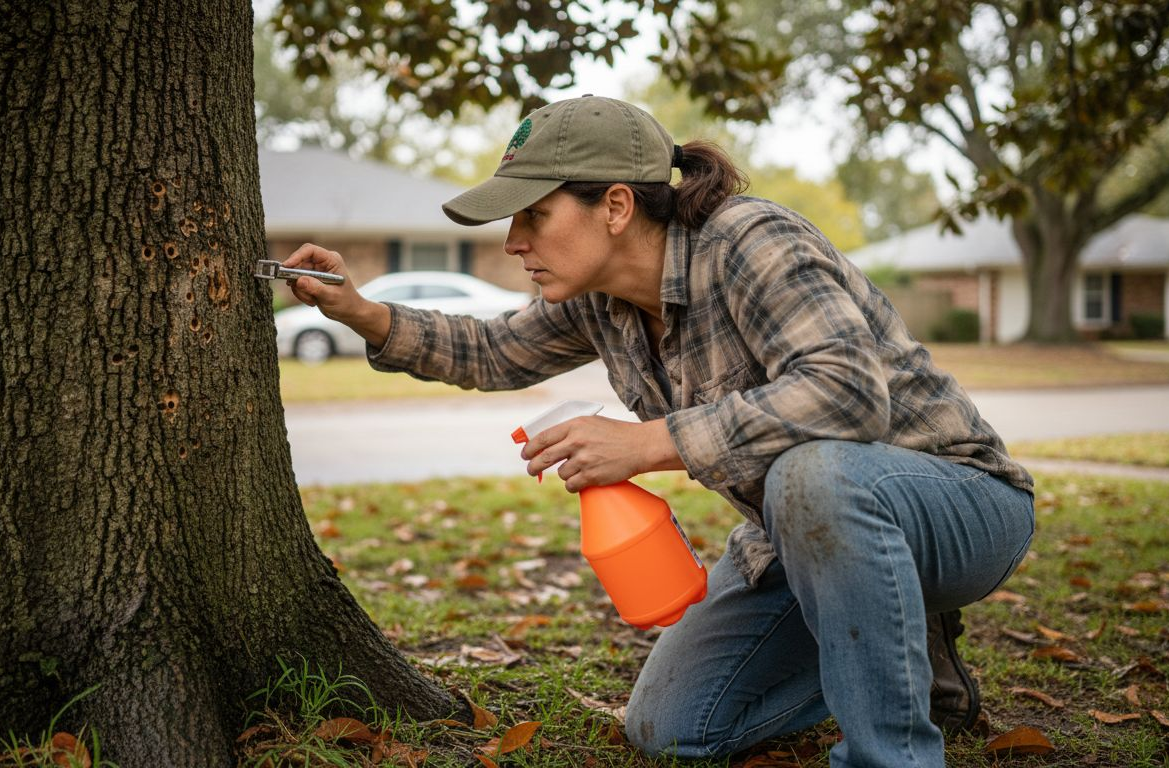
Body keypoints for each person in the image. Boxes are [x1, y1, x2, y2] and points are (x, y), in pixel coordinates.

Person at [281, 95, 1035, 767]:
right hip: (798, 539)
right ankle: (907, 660)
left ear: (614, 205)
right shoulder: (599, 298)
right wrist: (361, 312)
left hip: (960, 506)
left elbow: (846, 394)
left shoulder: (750, 240)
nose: (514, 242)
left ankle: (891, 752)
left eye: (534, 215)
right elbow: (492, 350)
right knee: (673, 728)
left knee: (817, 476)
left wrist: (647, 443)